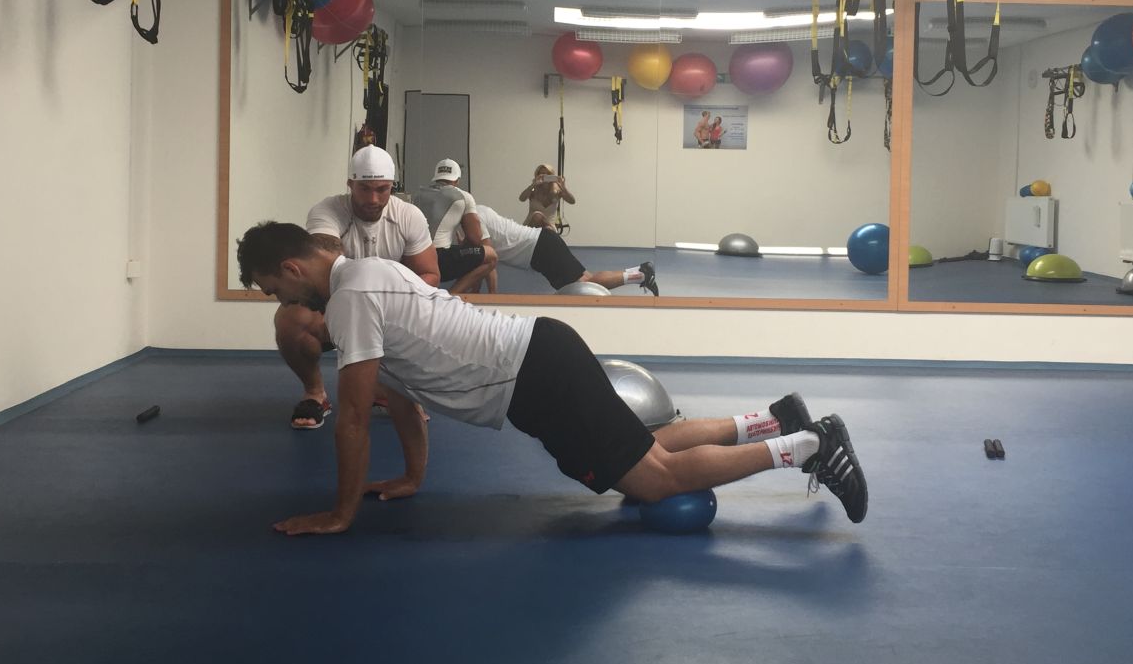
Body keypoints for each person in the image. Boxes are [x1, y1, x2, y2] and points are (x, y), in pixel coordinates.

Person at [235, 222, 868, 535]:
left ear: (291, 269)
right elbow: (400, 399)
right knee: (645, 446)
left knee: (655, 480)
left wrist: (340, 514)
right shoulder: (369, 273)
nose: (279, 303)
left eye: (272, 290)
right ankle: (772, 420)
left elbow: (351, 417)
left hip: (532, 376)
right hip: (540, 352)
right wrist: (413, 477)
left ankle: (808, 446)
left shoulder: (350, 299)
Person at [279, 145, 439, 431]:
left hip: (390, 310)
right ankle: (315, 395)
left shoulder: (409, 216)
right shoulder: (326, 212)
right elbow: (321, 271)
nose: (373, 199)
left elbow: (429, 275)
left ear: (392, 187)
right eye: (364, 189)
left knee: (426, 312)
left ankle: (388, 390)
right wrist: (356, 308)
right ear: (350, 184)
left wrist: (385, 305)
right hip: (338, 304)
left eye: (382, 189)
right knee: (290, 319)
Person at [469, 203, 658, 296]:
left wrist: (491, 300)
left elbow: (489, 265)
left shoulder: (475, 220)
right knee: (586, 281)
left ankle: (640, 274)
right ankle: (638, 273)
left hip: (541, 249)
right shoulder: (479, 210)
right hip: (542, 245)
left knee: (583, 286)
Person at [410, 158, 498, 295]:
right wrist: (465, 245)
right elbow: (475, 238)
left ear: (436, 177)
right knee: (491, 255)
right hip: (439, 260)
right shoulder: (464, 196)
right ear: (457, 180)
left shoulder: (417, 195)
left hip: (415, 258)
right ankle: (451, 295)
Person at [519, 164, 573, 230]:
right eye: (542, 173)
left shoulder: (557, 191)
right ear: (537, 175)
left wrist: (564, 188)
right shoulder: (533, 190)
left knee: (547, 228)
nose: (545, 176)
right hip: (531, 227)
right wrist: (533, 185)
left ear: (552, 175)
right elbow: (521, 198)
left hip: (549, 228)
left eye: (548, 174)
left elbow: (572, 201)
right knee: (537, 216)